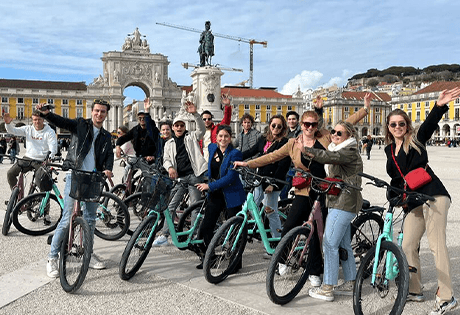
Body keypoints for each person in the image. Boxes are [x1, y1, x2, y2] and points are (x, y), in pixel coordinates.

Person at [234, 93, 371, 287]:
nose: (309, 127)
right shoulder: (292, 143)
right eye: (306, 124)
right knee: (290, 225)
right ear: (301, 124)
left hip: (323, 190)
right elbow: (271, 156)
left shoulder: (324, 138)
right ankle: (283, 260)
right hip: (303, 190)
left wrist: (365, 109)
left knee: (317, 232)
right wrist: (247, 164)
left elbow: (345, 124)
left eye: (313, 124)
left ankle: (315, 270)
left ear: (317, 125)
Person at [384, 88, 460, 315]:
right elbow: (397, 177)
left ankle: (447, 297)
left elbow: (427, 127)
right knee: (407, 244)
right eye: (393, 124)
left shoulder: (415, 140)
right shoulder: (389, 149)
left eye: (401, 124)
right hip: (414, 201)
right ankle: (414, 289)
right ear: (388, 128)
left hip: (434, 195)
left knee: (437, 245)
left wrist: (439, 107)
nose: (398, 127)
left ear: (407, 125)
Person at [37, 99, 114, 278]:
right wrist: (46, 114)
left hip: (93, 179)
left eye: (102, 111)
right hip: (75, 175)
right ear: (92, 111)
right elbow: (62, 122)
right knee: (67, 219)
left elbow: (109, 155)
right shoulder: (81, 125)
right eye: (96, 111)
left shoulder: (106, 136)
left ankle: (88, 253)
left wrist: (108, 168)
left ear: (106, 114)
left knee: (90, 220)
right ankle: (52, 257)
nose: (99, 114)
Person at [301, 121, 363, 301]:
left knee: (329, 244)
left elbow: (330, 158)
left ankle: (327, 287)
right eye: (333, 132)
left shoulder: (349, 151)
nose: (335, 135)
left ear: (349, 136)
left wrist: (307, 149)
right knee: (343, 244)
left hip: (344, 203)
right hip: (340, 200)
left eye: (339, 133)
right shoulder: (337, 148)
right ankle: (351, 281)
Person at [152, 101, 207, 246]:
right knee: (170, 206)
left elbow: (202, 129)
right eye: (177, 125)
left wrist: (195, 114)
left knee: (194, 205)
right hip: (180, 178)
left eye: (182, 125)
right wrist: (170, 168)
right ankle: (164, 235)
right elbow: (166, 159)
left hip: (195, 175)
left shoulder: (192, 137)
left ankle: (195, 234)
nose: (179, 127)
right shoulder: (169, 143)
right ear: (172, 128)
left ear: (185, 127)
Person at [195, 125, 246, 269]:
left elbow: (230, 177)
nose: (223, 139)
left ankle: (236, 262)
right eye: (220, 136)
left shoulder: (235, 153)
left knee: (234, 229)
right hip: (215, 195)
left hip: (231, 194)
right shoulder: (212, 148)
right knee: (206, 227)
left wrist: (209, 186)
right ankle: (210, 258)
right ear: (216, 137)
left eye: (226, 136)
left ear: (230, 138)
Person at [242, 115, 290, 242]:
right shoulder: (263, 139)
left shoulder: (284, 143)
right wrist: (234, 157)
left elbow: (283, 166)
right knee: (250, 206)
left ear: (283, 128)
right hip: (260, 178)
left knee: (271, 211)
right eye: (273, 125)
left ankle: (277, 241)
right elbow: (250, 152)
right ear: (269, 125)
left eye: (279, 126)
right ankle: (260, 228)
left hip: (273, 181)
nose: (275, 128)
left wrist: (273, 184)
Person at [4, 111, 57, 190]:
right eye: (35, 120)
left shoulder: (49, 132)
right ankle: (16, 196)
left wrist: (50, 157)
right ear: (32, 120)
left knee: (43, 180)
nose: (37, 122)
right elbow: (13, 131)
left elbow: (53, 147)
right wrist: (8, 124)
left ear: (43, 120)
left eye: (39, 119)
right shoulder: (28, 129)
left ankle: (44, 201)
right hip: (28, 158)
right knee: (10, 173)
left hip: (42, 160)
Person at [115, 98, 160, 163]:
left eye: (144, 118)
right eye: (140, 118)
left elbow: (150, 124)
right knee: (128, 170)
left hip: (152, 158)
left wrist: (147, 111)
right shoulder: (135, 129)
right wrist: (117, 145)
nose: (142, 119)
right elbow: (125, 137)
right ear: (138, 119)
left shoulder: (152, 128)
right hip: (139, 158)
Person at [199, 95, 232, 162]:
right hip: (202, 159)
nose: (207, 121)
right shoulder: (198, 132)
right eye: (204, 119)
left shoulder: (216, 128)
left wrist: (227, 106)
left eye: (209, 119)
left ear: (212, 120)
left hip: (215, 158)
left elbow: (226, 121)